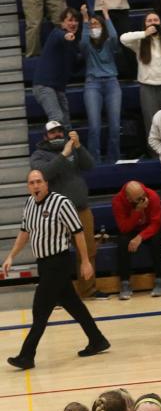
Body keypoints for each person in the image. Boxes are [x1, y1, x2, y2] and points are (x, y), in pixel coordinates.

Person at [29, 122, 104, 300]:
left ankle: (88, 290)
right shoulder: (39, 155)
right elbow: (45, 173)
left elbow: (90, 165)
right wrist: (64, 154)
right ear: (45, 136)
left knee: (88, 250)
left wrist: (78, 146)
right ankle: (57, 294)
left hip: (80, 209)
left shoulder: (72, 148)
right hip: (55, 214)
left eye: (59, 131)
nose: (56, 135)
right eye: (52, 132)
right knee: (54, 257)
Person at [121, 12, 161, 136]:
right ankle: (155, 153)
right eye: (149, 21)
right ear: (145, 24)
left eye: (155, 20)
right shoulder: (139, 41)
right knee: (152, 123)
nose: (153, 23)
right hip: (147, 87)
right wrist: (144, 34)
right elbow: (123, 38)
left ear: (160, 23)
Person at [79, 5, 121, 166]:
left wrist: (106, 14)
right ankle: (94, 162)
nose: (93, 27)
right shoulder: (88, 46)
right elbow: (82, 42)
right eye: (91, 25)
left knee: (115, 126)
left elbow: (115, 36)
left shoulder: (109, 43)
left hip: (112, 82)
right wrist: (85, 19)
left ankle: (113, 160)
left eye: (96, 24)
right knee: (94, 126)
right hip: (92, 84)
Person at [112, 181, 161, 299]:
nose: (143, 198)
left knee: (157, 238)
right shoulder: (118, 201)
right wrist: (137, 211)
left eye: (143, 194)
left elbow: (156, 223)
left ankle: (159, 279)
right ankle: (125, 283)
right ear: (129, 198)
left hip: (149, 228)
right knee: (122, 241)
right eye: (138, 198)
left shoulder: (152, 195)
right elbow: (124, 228)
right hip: (130, 229)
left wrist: (140, 237)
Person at [32, 7, 80, 128]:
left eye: (75, 20)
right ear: (62, 23)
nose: (73, 23)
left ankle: (67, 146)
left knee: (67, 124)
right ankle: (50, 146)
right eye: (70, 20)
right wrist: (67, 36)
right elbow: (61, 36)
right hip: (44, 85)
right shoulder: (56, 33)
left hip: (58, 88)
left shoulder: (73, 46)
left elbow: (75, 68)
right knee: (57, 119)